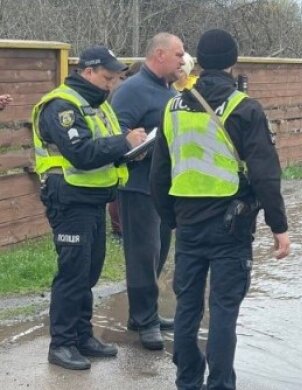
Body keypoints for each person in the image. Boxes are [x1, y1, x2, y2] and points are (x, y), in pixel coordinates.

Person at [150, 29, 291, 390]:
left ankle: (187, 380)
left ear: (197, 58)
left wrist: (171, 219)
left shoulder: (172, 107)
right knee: (224, 311)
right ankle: (220, 385)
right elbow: (265, 175)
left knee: (187, 308)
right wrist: (280, 228)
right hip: (232, 225)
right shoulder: (244, 107)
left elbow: (159, 173)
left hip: (188, 224)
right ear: (233, 61)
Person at [31, 46, 147, 370]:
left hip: (92, 199)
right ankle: (62, 344)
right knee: (73, 274)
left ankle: (82, 336)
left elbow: (104, 148)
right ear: (89, 71)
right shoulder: (62, 105)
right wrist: (124, 142)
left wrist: (132, 148)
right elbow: (80, 152)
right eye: (108, 78)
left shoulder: (97, 106)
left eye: (115, 79)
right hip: (69, 200)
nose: (111, 85)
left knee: (89, 272)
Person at [111, 33, 185, 350]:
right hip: (138, 186)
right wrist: (133, 137)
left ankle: (144, 313)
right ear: (159, 54)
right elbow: (116, 132)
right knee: (143, 255)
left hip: (164, 188)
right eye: (179, 54)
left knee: (159, 252)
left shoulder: (167, 90)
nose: (183, 60)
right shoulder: (132, 90)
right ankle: (145, 322)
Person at [107, 61, 143, 240]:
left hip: (118, 144)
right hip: (123, 143)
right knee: (119, 191)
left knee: (117, 192)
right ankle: (119, 229)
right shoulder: (125, 91)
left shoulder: (118, 88)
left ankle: (118, 228)